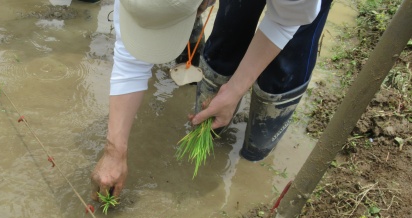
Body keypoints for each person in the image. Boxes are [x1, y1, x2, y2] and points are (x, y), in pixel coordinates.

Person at [91, 0, 332, 201]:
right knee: (230, 33)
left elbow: (285, 20)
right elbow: (130, 61)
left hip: (297, 7)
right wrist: (114, 151)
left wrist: (237, 88)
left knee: (284, 67)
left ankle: (256, 148)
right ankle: (217, 114)